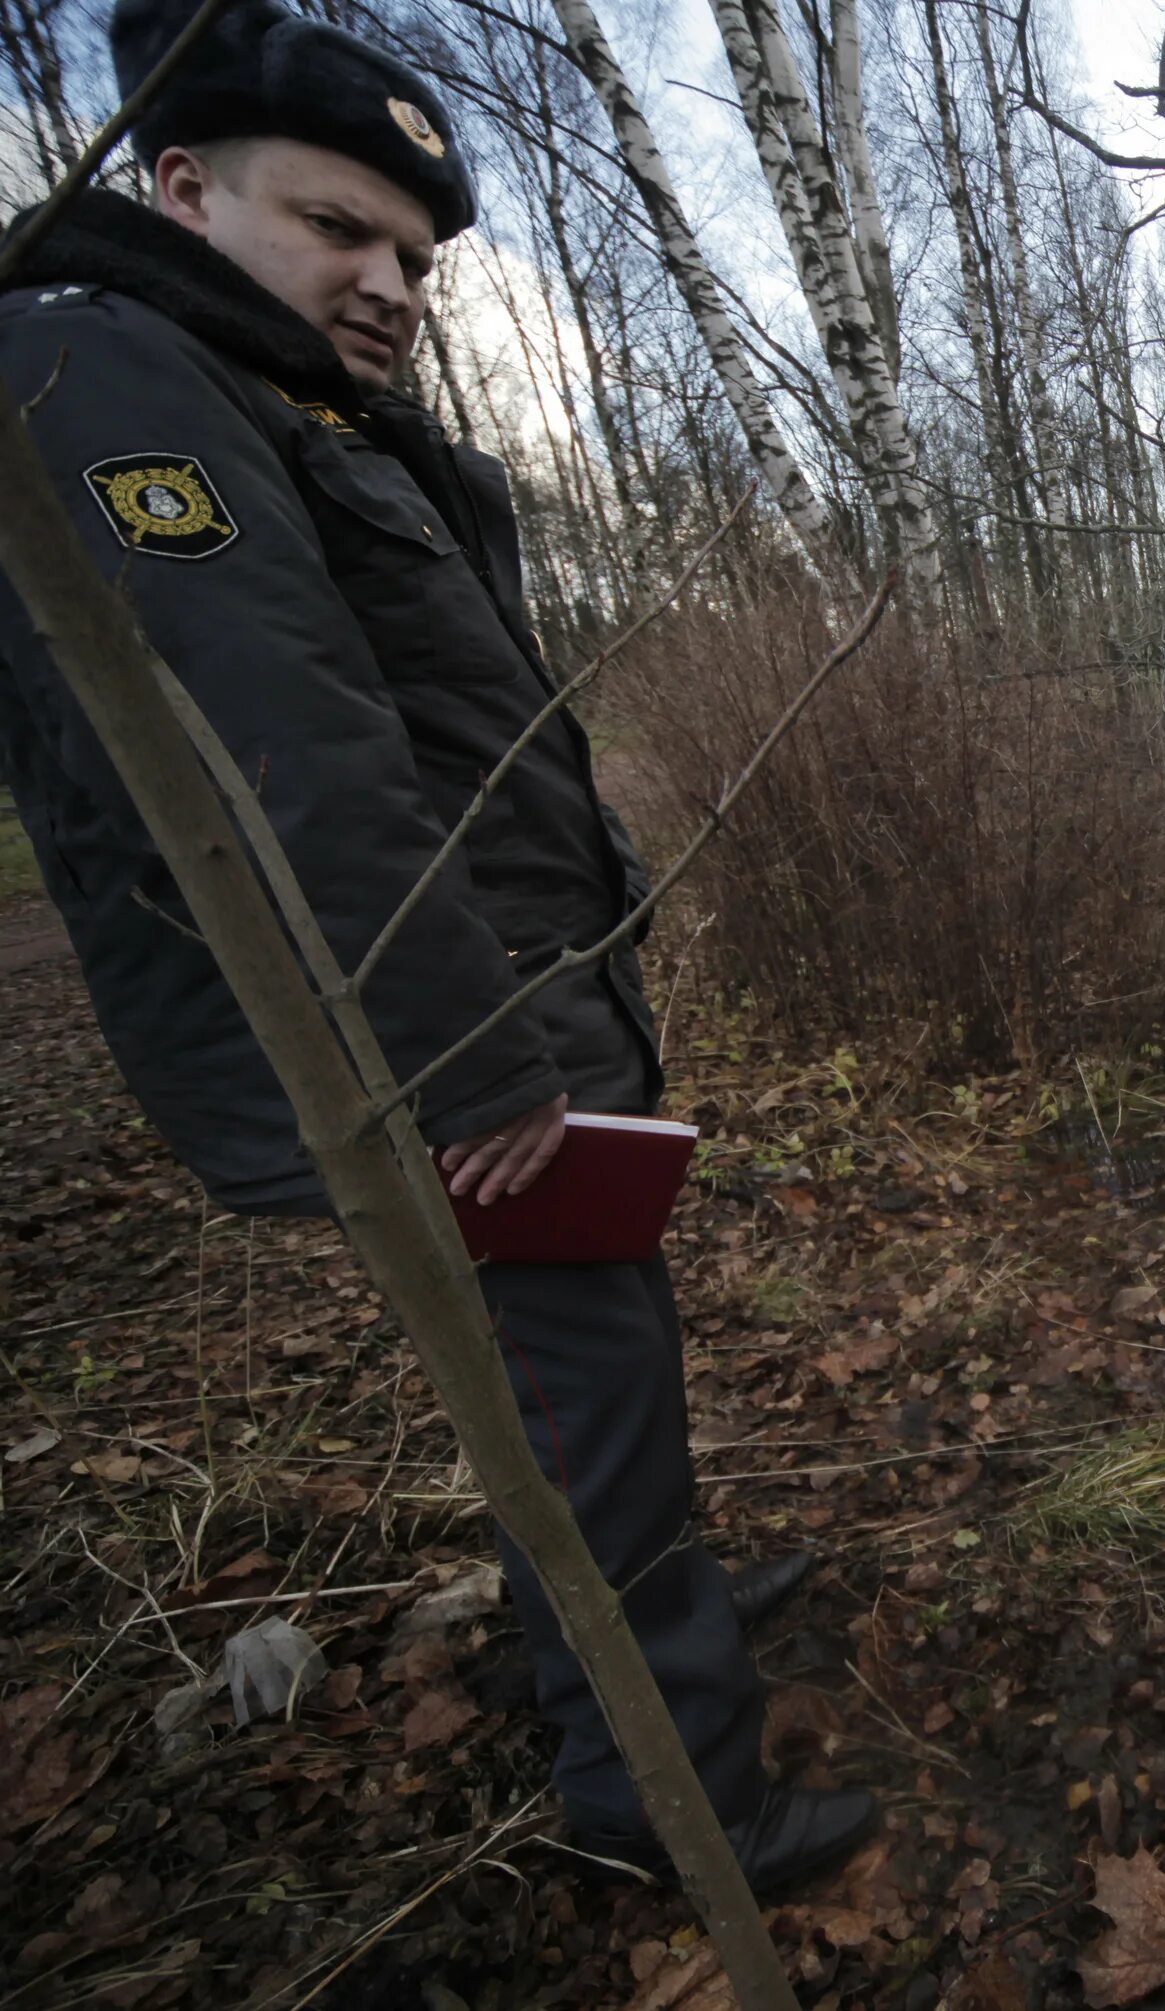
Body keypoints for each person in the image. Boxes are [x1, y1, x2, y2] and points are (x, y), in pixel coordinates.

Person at [0, 0, 872, 1894]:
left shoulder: (291, 403)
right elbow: (278, 758)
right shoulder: (110, 374)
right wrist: (472, 1060)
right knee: (581, 1383)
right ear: (178, 186)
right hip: (425, 1040)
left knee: (597, 1369)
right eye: (336, 226)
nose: (390, 281)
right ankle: (668, 1794)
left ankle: (658, 1598)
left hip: (494, 1002)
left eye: (411, 251)